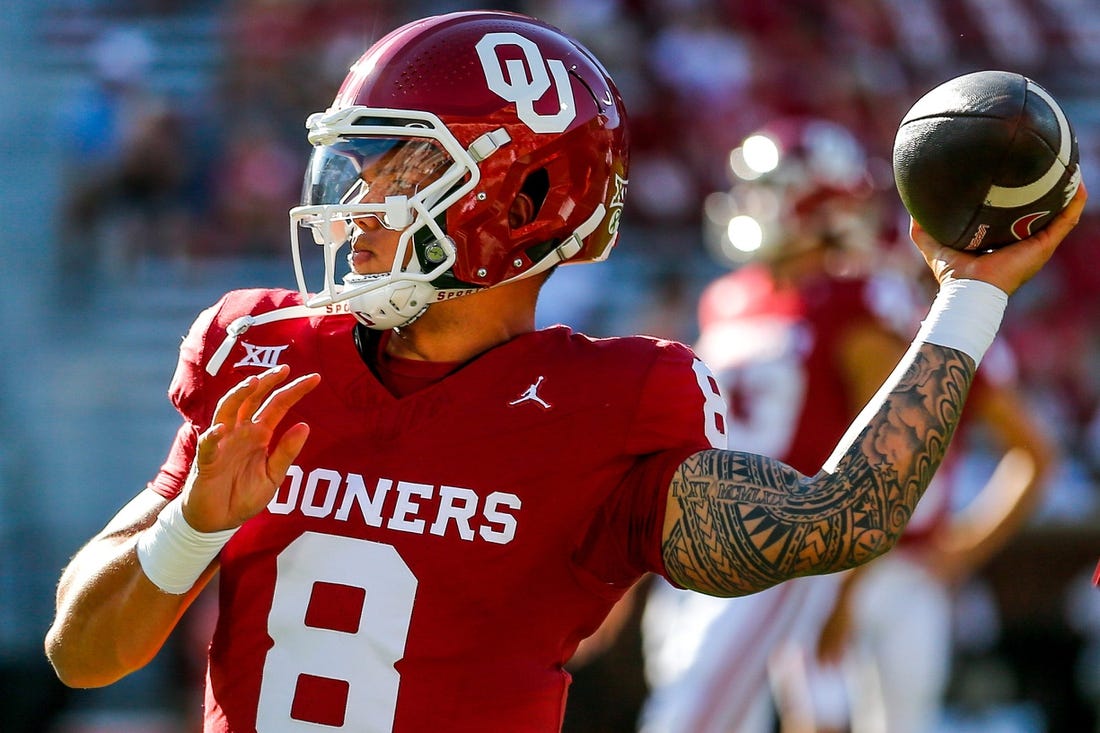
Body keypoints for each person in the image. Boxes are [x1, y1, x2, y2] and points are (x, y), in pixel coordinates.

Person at [43, 10, 1085, 733]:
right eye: (356, 165)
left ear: (523, 193)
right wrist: (191, 526)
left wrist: (970, 290)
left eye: (400, 168)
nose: (353, 206)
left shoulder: (610, 404)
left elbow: (839, 520)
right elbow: (80, 652)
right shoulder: (263, 354)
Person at [638, 119, 1058, 733]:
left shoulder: (861, 306)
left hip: (831, 552)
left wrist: (943, 556)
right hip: (735, 536)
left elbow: (894, 456)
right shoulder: (736, 296)